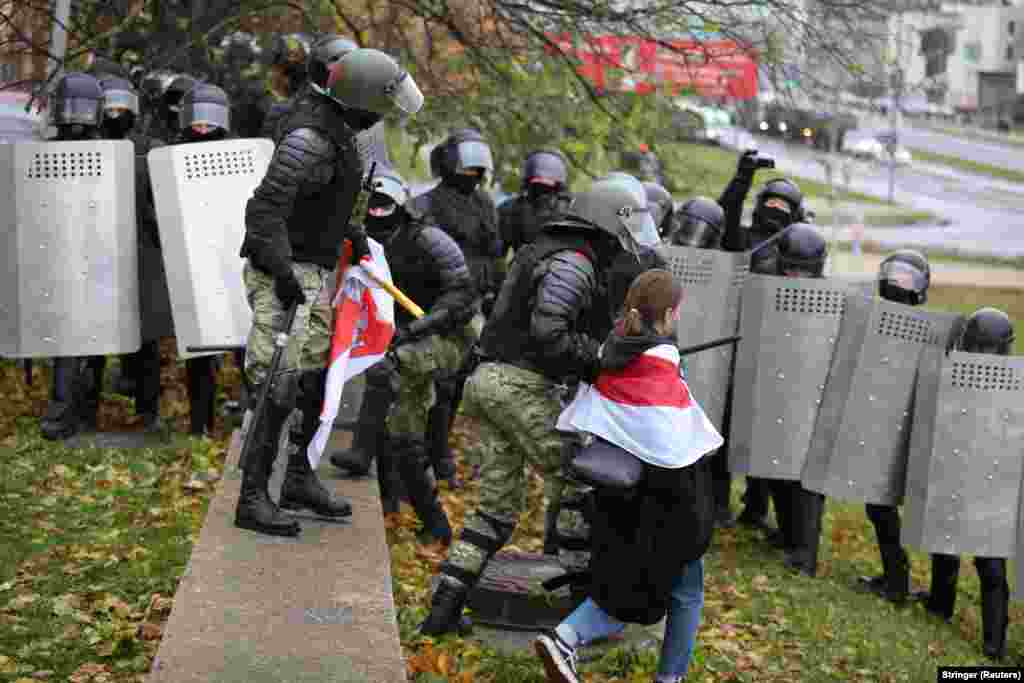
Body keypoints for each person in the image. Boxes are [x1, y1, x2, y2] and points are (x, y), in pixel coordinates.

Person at [418, 174, 660, 636]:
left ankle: (443, 609)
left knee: (496, 509)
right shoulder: (574, 261)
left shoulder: (555, 249)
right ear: (608, 222)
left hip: (491, 383)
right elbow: (549, 333)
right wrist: (600, 357)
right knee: (583, 479)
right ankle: (579, 612)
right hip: (520, 385)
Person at [234, 48, 423, 538]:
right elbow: (264, 212)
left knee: (313, 375)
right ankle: (252, 497)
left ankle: (297, 477)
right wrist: (281, 272)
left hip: (314, 268)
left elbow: (341, 199)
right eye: (382, 104)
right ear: (361, 98)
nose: (386, 114)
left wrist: (356, 238)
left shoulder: (347, 134)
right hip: (284, 271)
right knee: (278, 383)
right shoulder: (309, 138)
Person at [535, 270, 718, 683]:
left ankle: (564, 636)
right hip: (665, 501)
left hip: (617, 496)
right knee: (686, 589)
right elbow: (677, 440)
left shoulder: (613, 347)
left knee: (623, 587)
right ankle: (668, 678)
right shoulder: (660, 362)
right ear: (669, 314)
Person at [342, 169, 482, 539]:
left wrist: (422, 326)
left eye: (385, 204)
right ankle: (428, 521)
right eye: (372, 205)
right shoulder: (362, 238)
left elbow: (464, 296)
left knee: (391, 371)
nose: (378, 211)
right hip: (399, 336)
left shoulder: (430, 239)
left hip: (448, 334)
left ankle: (361, 452)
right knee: (403, 433)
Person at [915, 307, 1015, 660]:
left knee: (989, 563)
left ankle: (995, 646)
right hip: (956, 466)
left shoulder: (1014, 386)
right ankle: (940, 604)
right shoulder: (952, 373)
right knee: (945, 537)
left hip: (994, 480)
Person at [720, 150, 806, 535]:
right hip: (731, 340)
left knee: (763, 431)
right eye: (769, 203)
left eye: (781, 206)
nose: (774, 211)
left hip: (775, 347)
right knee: (720, 428)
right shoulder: (743, 239)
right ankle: (718, 503)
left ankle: (756, 508)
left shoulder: (797, 247)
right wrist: (742, 177)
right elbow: (724, 217)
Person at [856, 249, 930, 605]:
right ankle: (895, 577)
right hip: (881, 424)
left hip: (908, 429)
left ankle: (899, 584)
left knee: (884, 506)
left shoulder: (925, 329)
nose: (898, 284)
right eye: (894, 276)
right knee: (877, 505)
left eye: (906, 279)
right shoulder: (877, 321)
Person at [98, 76, 171, 434]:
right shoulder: (90, 147)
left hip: (141, 250)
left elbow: (164, 201)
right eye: (109, 107)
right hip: (96, 250)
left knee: (145, 339)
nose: (115, 113)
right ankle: (82, 409)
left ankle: (149, 410)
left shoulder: (149, 147)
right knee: (93, 335)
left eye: (121, 106)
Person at [38, 72, 106, 440]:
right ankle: (65, 409)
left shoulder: (107, 153)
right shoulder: (44, 151)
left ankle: (83, 409)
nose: (76, 117)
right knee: (68, 336)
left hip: (95, 250)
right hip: (59, 249)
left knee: (93, 336)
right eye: (71, 109)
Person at [167, 82, 233, 435]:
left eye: (211, 121)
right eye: (197, 121)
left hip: (228, 260)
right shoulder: (170, 158)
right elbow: (157, 206)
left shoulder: (234, 156)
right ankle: (199, 423)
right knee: (199, 350)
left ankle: (248, 418)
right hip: (191, 261)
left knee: (241, 342)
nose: (203, 128)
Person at [769, 222, 829, 576]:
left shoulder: (829, 300)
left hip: (815, 395)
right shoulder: (773, 291)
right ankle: (789, 536)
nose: (795, 277)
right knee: (777, 466)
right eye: (790, 268)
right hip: (779, 389)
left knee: (808, 480)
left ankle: (806, 554)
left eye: (802, 271)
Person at [408, 128, 503, 309]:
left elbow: (494, 252)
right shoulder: (425, 202)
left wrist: (496, 293)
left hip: (475, 298)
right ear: (448, 163)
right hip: (438, 297)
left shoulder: (484, 203)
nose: (473, 171)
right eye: (468, 166)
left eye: (477, 166)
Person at [498, 149, 570, 255]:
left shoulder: (570, 212)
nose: (542, 194)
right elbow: (496, 257)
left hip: (561, 268)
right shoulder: (511, 211)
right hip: (523, 267)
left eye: (547, 187)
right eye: (537, 186)